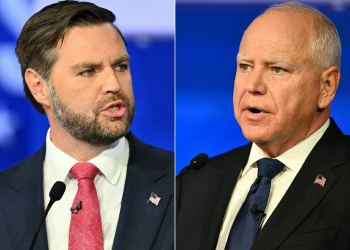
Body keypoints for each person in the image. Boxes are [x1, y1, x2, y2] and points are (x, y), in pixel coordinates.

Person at [0, 1, 173, 250]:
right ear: (39, 87)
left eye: (120, 66)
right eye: (89, 71)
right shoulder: (4, 196)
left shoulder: (180, 184)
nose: (114, 84)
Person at [177, 2, 350, 250]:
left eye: (277, 69)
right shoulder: (193, 182)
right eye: (245, 67)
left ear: (326, 87)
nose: (252, 85)